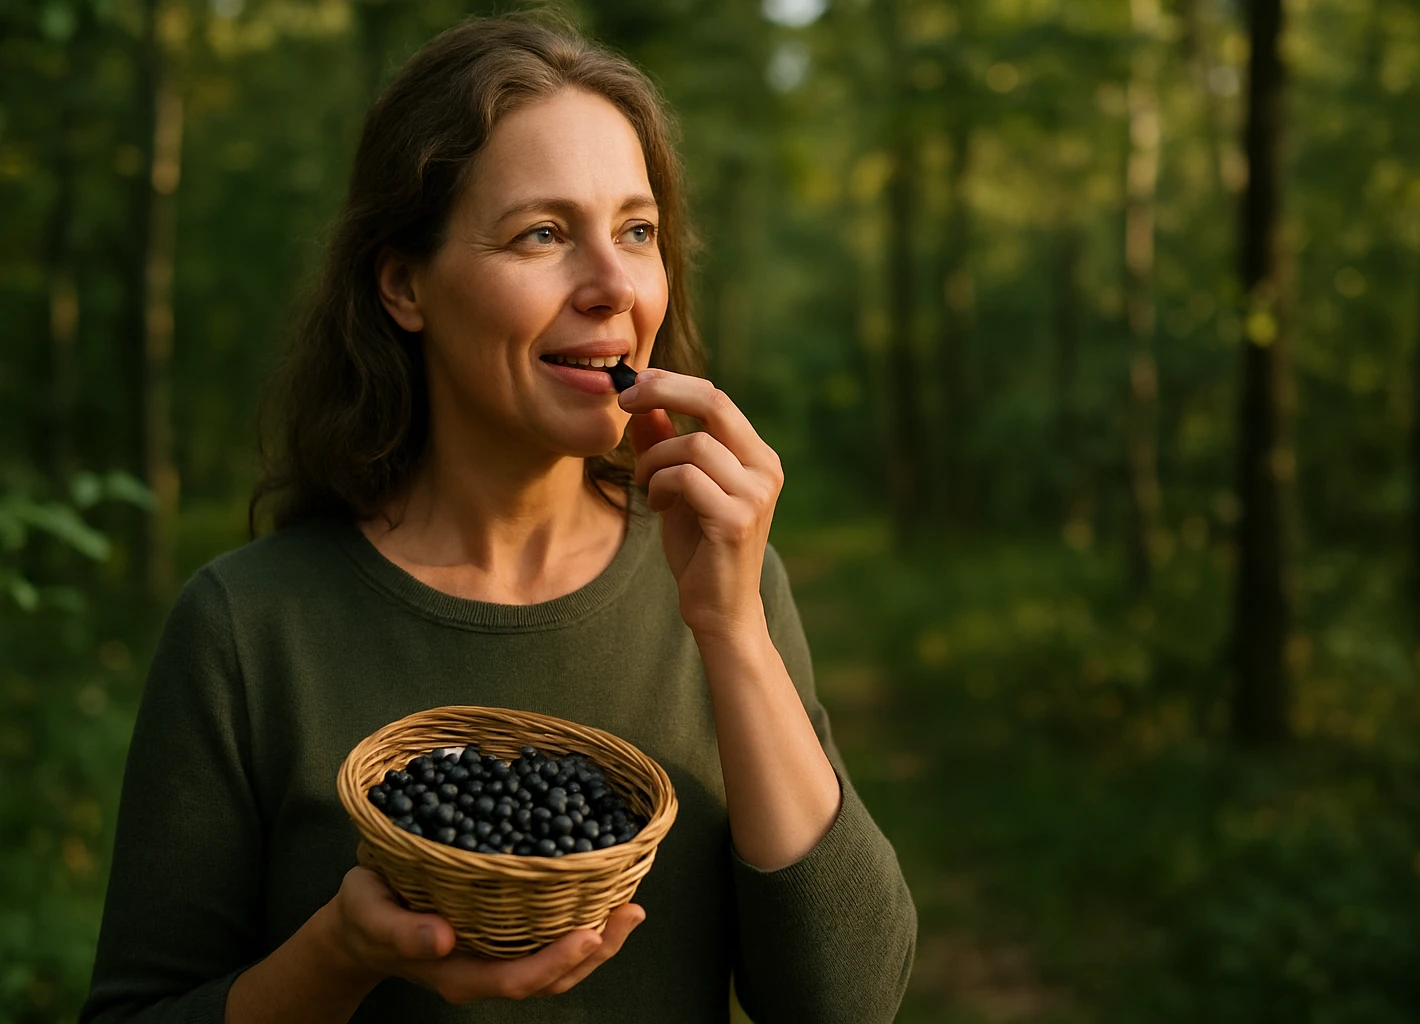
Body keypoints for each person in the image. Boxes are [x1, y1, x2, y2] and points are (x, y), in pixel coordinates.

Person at [79, 11, 916, 1024]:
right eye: (544, 234)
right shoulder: (248, 628)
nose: (613, 286)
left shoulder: (721, 583)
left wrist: (733, 629)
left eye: (637, 231)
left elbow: (849, 999)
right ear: (404, 283)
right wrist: (338, 953)